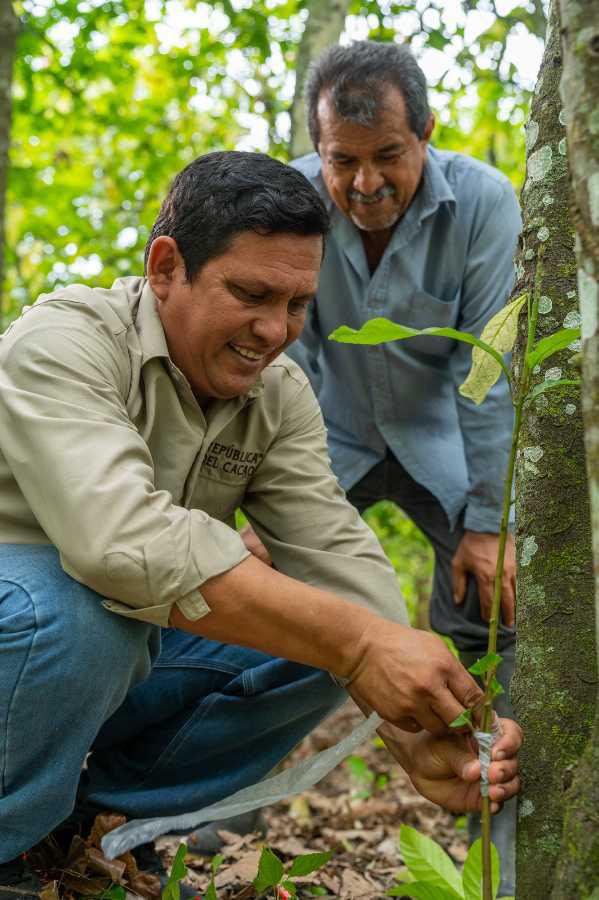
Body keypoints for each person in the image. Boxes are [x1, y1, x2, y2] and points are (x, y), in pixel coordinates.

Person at [0, 151, 520, 899]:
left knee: (320, 639)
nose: (274, 331)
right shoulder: (64, 343)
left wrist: (412, 722)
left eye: (298, 304)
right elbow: (119, 546)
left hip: (110, 659)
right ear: (166, 265)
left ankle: (91, 825)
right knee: (80, 609)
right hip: (41, 629)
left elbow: (331, 547)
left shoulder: (274, 394)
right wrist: (360, 643)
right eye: (250, 294)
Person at [282, 40, 522, 897]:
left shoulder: (486, 205)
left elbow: (488, 370)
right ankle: (213, 803)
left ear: (424, 134)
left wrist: (490, 524)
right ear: (318, 149)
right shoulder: (293, 199)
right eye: (342, 161)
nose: (364, 184)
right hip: (326, 440)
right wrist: (260, 503)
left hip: (446, 450)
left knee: (486, 622)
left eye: (387, 156)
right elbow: (282, 363)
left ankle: (497, 846)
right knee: (262, 607)